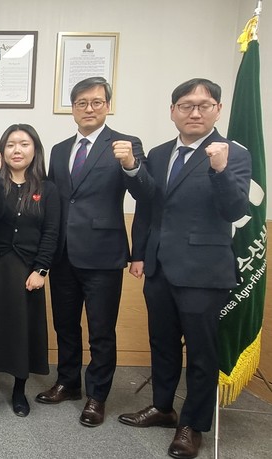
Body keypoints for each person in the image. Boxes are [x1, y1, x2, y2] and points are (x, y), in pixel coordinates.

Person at [120, 78, 251, 459]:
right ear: (173, 111)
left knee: (200, 352)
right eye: (186, 105)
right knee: (161, 343)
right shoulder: (160, 153)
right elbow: (148, 206)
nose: (194, 112)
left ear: (217, 110)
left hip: (204, 271)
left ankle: (192, 424)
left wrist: (220, 169)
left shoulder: (232, 153)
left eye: (203, 105)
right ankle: (163, 407)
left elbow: (235, 210)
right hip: (159, 266)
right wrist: (139, 254)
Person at [38, 76, 147, 427]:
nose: (89, 108)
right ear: (72, 108)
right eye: (81, 103)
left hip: (103, 254)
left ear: (108, 106)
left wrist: (130, 165)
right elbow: (54, 201)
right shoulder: (59, 150)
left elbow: (145, 194)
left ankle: (97, 395)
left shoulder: (125, 145)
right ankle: (68, 382)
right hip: (63, 254)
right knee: (65, 325)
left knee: (101, 330)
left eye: (97, 102)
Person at [0, 124, 59, 417]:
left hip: (27, 271)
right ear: (2, 151)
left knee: (22, 331)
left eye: (24, 144)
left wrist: (41, 270)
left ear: (35, 150)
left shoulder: (47, 189)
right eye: (11, 144)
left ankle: (19, 390)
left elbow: (51, 232)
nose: (17, 150)